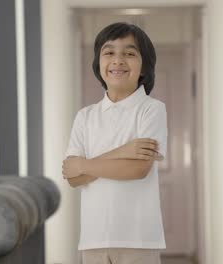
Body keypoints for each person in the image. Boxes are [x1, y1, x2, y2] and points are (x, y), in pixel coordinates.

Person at [62, 22, 168, 264]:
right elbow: (72, 177)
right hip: (93, 239)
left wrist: (84, 164)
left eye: (129, 53)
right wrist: (124, 151)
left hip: (139, 238)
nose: (118, 60)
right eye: (109, 52)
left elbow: (137, 169)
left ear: (144, 67)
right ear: (99, 65)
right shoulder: (85, 116)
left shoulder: (152, 109)